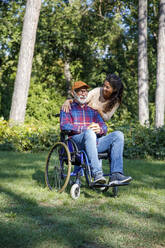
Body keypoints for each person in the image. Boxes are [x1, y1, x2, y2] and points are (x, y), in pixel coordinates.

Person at [60, 81, 132, 185]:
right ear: (73, 93)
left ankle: (116, 175)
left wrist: (100, 129)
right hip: (75, 144)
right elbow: (64, 126)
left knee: (118, 135)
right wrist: (85, 129)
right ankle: (97, 174)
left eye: (86, 92)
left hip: (93, 143)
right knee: (89, 133)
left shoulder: (92, 110)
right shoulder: (68, 108)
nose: (84, 94)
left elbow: (104, 126)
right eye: (81, 91)